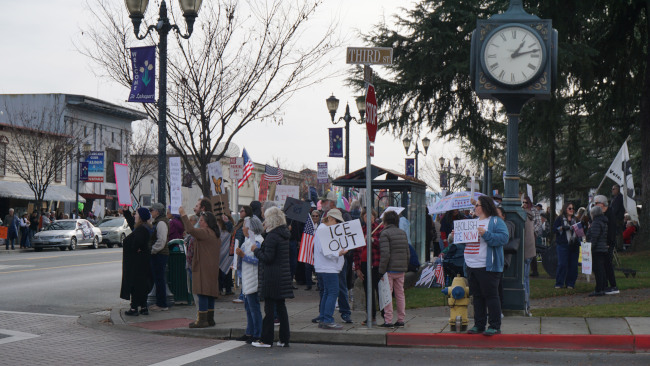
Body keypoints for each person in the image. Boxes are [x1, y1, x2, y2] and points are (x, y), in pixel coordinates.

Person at [465, 196, 509, 336]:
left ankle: (495, 325)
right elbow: (467, 242)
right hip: (472, 264)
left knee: (491, 295)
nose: (475, 208)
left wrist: (486, 234)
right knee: (477, 296)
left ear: (484, 206)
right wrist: (455, 237)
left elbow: (503, 238)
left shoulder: (496, 221)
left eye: (477, 205)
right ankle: (479, 324)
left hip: (487, 265)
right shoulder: (473, 222)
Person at [252, 207, 294, 347]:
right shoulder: (283, 234)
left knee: (269, 310)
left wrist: (256, 251)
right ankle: (284, 339)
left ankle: (266, 339)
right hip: (281, 276)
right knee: (281, 308)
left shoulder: (272, 236)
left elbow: (267, 258)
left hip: (271, 277)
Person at [179, 206, 221, 328]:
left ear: (207, 223)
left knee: (202, 291)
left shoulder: (205, 232)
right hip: (211, 267)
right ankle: (209, 318)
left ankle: (202, 320)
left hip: (203, 266)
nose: (199, 222)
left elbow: (190, 230)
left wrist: (183, 215)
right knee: (210, 293)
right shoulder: (214, 233)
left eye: (202, 220)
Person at [312, 208, 348, 330]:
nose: (338, 224)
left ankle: (324, 318)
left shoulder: (322, 229)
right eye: (337, 221)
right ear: (331, 218)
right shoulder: (324, 230)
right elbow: (326, 250)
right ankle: (327, 319)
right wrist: (338, 253)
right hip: (328, 267)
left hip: (324, 267)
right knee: (332, 292)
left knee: (327, 293)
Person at [235, 216, 265, 343]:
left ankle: (257, 333)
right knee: (248, 307)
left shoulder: (257, 241)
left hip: (253, 277)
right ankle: (250, 331)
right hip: (247, 277)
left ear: (251, 228)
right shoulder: (247, 241)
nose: (243, 228)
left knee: (254, 308)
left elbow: (258, 260)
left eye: (245, 226)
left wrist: (243, 256)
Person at [378, 210, 410, 328]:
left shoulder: (385, 234)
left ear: (385, 221)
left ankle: (388, 320)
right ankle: (401, 319)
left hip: (389, 269)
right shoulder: (402, 233)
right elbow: (407, 252)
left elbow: (385, 254)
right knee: (400, 294)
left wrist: (381, 270)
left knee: (387, 294)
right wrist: (405, 266)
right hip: (401, 269)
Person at [120, 207, 153, 316]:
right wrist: (126, 212)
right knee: (141, 284)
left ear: (141, 217)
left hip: (137, 263)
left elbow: (137, 242)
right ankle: (143, 307)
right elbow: (132, 224)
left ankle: (134, 308)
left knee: (135, 285)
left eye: (137, 214)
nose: (135, 216)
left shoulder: (142, 229)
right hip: (142, 261)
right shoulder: (143, 227)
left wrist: (135, 248)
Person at [354, 207, 382, 326]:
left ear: (374, 217)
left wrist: (372, 240)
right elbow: (356, 251)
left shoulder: (379, 228)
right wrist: (357, 268)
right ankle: (371, 316)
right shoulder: (361, 230)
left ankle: (387, 316)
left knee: (380, 290)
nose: (368, 218)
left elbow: (382, 243)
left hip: (375, 264)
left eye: (370, 216)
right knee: (368, 291)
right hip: (364, 264)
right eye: (365, 216)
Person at [594, 195, 619, 295]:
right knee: (602, 265)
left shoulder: (610, 214)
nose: (595, 205)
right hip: (601, 244)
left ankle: (613, 285)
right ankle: (605, 284)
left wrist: (609, 243)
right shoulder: (601, 214)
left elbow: (612, 230)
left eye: (596, 203)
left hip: (607, 244)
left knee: (607, 264)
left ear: (602, 204)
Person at [149, 203, 170, 311]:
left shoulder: (161, 223)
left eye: (152, 210)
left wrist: (152, 250)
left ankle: (162, 304)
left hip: (159, 254)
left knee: (159, 279)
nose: (151, 212)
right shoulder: (159, 221)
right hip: (159, 253)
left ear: (157, 211)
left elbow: (161, 240)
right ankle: (159, 302)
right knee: (158, 279)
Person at [553, 202, 579, 289]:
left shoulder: (576, 219)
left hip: (574, 244)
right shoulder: (559, 219)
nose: (571, 210)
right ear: (565, 209)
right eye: (569, 208)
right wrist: (562, 228)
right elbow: (554, 229)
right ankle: (559, 282)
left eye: (572, 208)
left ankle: (570, 283)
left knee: (573, 265)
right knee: (562, 264)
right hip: (563, 244)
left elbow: (580, 232)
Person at [587, 205, 609, 297]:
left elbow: (594, 237)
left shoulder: (596, 223)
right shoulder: (604, 221)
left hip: (597, 249)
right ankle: (603, 287)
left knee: (597, 269)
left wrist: (590, 248)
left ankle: (598, 289)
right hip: (603, 248)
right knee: (602, 269)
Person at [522, 196, 537, 315]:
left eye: (525, 202)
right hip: (530, 251)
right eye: (522, 202)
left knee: (525, 280)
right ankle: (527, 306)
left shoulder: (523, 216)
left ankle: (526, 305)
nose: (523, 204)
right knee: (526, 280)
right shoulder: (531, 215)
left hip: (525, 252)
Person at [303, 210, 320, 291]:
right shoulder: (308, 225)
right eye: (313, 216)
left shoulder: (321, 226)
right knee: (307, 266)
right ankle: (308, 284)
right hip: (309, 247)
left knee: (317, 267)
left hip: (317, 248)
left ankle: (319, 284)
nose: (315, 217)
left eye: (316, 216)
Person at [610, 184, 626, 250]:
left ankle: (619, 247)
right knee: (616, 233)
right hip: (615, 218)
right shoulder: (615, 197)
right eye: (612, 189)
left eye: (614, 189)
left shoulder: (619, 197)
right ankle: (617, 246)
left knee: (618, 233)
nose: (612, 190)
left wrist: (611, 215)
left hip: (618, 218)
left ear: (618, 189)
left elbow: (615, 209)